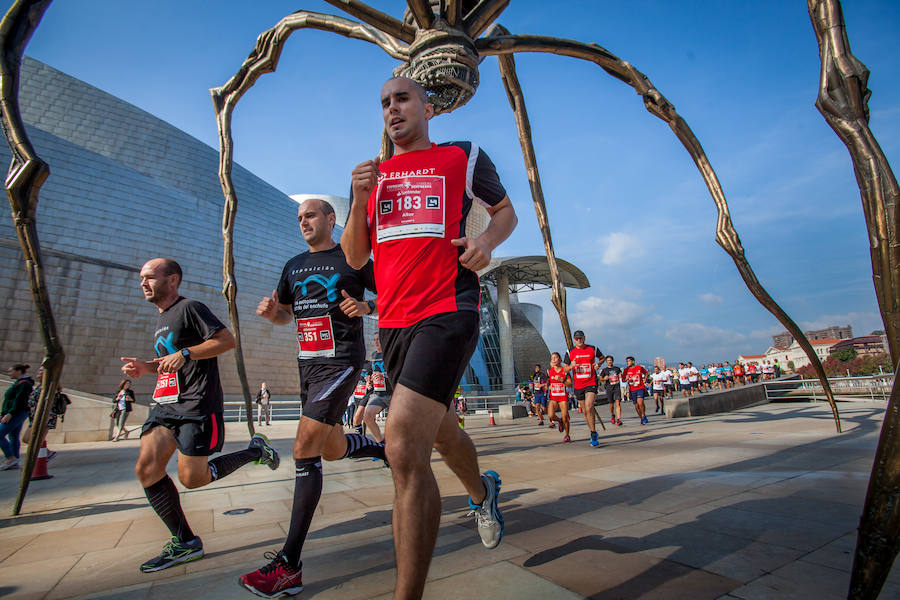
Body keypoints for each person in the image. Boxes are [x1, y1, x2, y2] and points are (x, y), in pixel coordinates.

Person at [343, 76, 516, 599]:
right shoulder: (374, 177)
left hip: (448, 308)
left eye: (401, 98)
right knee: (440, 432)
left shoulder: (463, 155)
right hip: (393, 323)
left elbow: (506, 211)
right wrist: (357, 198)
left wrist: (485, 240)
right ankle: (482, 492)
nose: (392, 109)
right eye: (384, 103)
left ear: (427, 107)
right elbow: (354, 257)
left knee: (401, 446)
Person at [239, 197, 386, 597]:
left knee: (305, 448)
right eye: (299, 217)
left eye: (311, 215)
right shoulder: (292, 265)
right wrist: (274, 314)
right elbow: (288, 313)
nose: (303, 221)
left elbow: (394, 292)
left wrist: (367, 305)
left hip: (341, 361)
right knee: (333, 448)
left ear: (331, 219)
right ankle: (378, 449)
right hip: (308, 365)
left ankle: (289, 566)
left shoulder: (352, 258)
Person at [121, 258, 280, 574]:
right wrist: (147, 367)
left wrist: (185, 353)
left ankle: (255, 452)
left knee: (192, 479)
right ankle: (185, 542)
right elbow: (173, 359)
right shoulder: (163, 318)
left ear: (172, 280)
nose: (143, 282)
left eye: (150, 277)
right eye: (141, 277)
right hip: (167, 405)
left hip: (197, 405)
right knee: (146, 468)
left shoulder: (191, 307)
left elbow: (226, 341)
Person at [564, 330, 604, 446]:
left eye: (580, 338)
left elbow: (602, 358)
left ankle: (592, 433)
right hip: (578, 384)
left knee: (589, 405)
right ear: (574, 339)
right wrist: (571, 366)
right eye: (576, 339)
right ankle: (593, 431)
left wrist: (598, 364)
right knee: (586, 411)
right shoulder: (570, 351)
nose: (579, 340)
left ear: (584, 338)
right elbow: (565, 369)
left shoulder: (592, 348)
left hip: (591, 381)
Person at [1, 363, 34, 470]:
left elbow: (19, 401)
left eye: (11, 371)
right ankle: (14, 460)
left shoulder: (24, 384)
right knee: (13, 436)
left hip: (16, 413)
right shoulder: (20, 383)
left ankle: (10, 458)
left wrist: (10, 413)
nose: (9, 373)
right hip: (15, 413)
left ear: (18, 371)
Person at [362, 333, 392, 443]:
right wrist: (369, 381)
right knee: (367, 416)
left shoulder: (389, 353)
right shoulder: (374, 355)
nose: (376, 342)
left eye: (378, 339)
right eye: (374, 339)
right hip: (378, 393)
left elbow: (398, 373)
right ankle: (380, 443)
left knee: (393, 424)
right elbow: (371, 372)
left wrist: (383, 376)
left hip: (393, 393)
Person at [547, 352, 571, 441]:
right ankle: (559, 421)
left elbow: (570, 384)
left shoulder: (564, 370)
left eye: (555, 358)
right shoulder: (550, 371)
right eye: (552, 358)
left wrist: (562, 379)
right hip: (553, 397)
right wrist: (547, 386)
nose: (553, 359)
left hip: (562, 397)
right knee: (550, 416)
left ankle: (567, 435)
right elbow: (548, 382)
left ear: (560, 359)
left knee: (565, 416)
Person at [623, 357, 650, 425]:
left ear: (633, 361)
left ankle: (643, 415)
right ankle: (641, 418)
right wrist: (625, 379)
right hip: (632, 389)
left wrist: (645, 379)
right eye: (626, 361)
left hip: (640, 387)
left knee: (640, 402)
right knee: (636, 406)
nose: (627, 363)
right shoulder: (626, 370)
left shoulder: (639, 367)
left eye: (629, 361)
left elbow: (646, 373)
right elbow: (623, 379)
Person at [598, 355, 623, 427]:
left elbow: (621, 375)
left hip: (617, 387)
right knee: (611, 404)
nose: (609, 362)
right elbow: (600, 378)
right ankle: (612, 415)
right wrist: (604, 379)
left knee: (618, 403)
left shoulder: (617, 369)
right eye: (608, 360)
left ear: (613, 361)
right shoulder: (604, 370)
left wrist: (622, 376)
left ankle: (618, 419)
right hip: (609, 388)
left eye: (610, 360)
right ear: (606, 362)